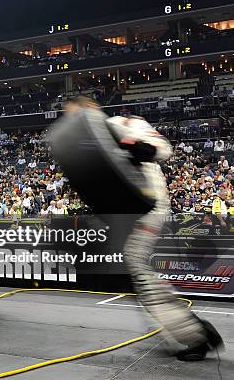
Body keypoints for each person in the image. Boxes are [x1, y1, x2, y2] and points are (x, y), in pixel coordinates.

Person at [63, 96, 223, 361]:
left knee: (140, 274)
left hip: (146, 207)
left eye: (74, 114)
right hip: (129, 212)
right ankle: (193, 329)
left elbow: (161, 148)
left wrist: (136, 147)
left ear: (89, 110)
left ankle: (196, 335)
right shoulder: (88, 142)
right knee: (137, 274)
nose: (72, 121)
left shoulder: (120, 123)